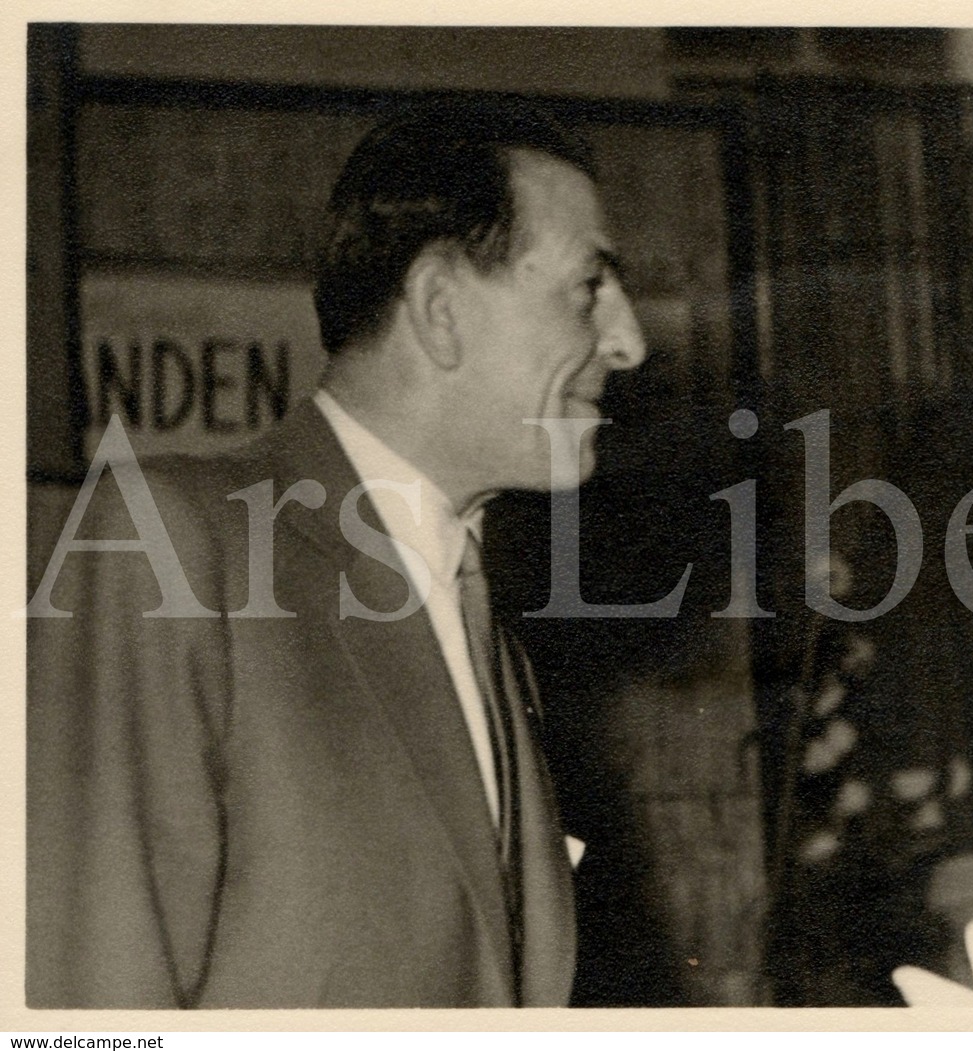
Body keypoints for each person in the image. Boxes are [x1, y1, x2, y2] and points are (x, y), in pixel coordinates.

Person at [26, 104, 647, 1007]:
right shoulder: (171, 544)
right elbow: (82, 1000)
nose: (630, 342)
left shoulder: (485, 631)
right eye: (589, 287)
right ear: (440, 309)